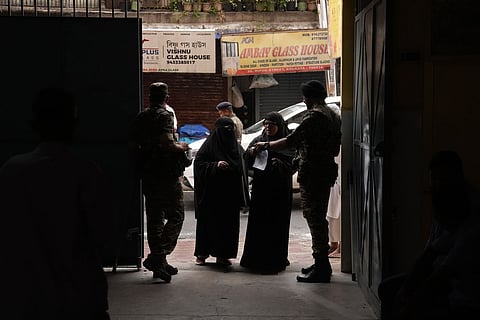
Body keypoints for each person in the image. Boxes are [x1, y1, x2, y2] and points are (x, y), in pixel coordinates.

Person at [0, 87, 113, 319]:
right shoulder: (85, 173)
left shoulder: (11, 171)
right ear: (74, 123)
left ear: (34, 124)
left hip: (24, 297)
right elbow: (102, 234)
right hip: (78, 297)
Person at [253, 80, 341, 283]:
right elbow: (335, 148)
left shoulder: (314, 116)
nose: (303, 99)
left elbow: (290, 140)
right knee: (319, 217)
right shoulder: (333, 115)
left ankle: (321, 267)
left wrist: (265, 145)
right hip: (325, 170)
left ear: (309, 97)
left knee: (314, 219)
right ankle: (320, 262)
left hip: (313, 173)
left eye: (304, 96)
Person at [378, 150, 480, 319]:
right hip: (443, 279)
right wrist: (407, 287)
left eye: (443, 179)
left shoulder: (472, 217)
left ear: (457, 178)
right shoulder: (443, 202)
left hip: (464, 293)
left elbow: (443, 275)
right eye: (434, 179)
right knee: (388, 290)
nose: (437, 185)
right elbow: (430, 252)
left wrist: (410, 305)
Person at [130, 82, 190, 282]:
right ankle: (157, 257)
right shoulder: (165, 115)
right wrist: (181, 147)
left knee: (155, 217)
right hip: (165, 173)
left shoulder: (142, 116)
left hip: (148, 173)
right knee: (176, 215)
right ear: (167, 97)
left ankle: (160, 265)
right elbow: (167, 142)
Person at [240, 112, 296, 274]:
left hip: (279, 189)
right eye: (266, 124)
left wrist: (280, 164)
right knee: (259, 223)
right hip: (261, 189)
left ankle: (276, 259)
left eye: (272, 124)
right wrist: (251, 153)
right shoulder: (259, 140)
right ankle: (255, 259)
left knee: (277, 223)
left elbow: (294, 163)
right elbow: (247, 158)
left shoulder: (287, 141)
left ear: (279, 126)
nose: (268, 127)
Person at [193, 117, 245, 266]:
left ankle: (223, 255)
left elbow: (241, 166)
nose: (227, 133)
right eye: (224, 129)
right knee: (207, 223)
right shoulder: (209, 146)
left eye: (230, 129)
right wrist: (215, 165)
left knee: (227, 226)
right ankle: (202, 254)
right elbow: (199, 164)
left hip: (229, 194)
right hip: (211, 194)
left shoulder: (235, 147)